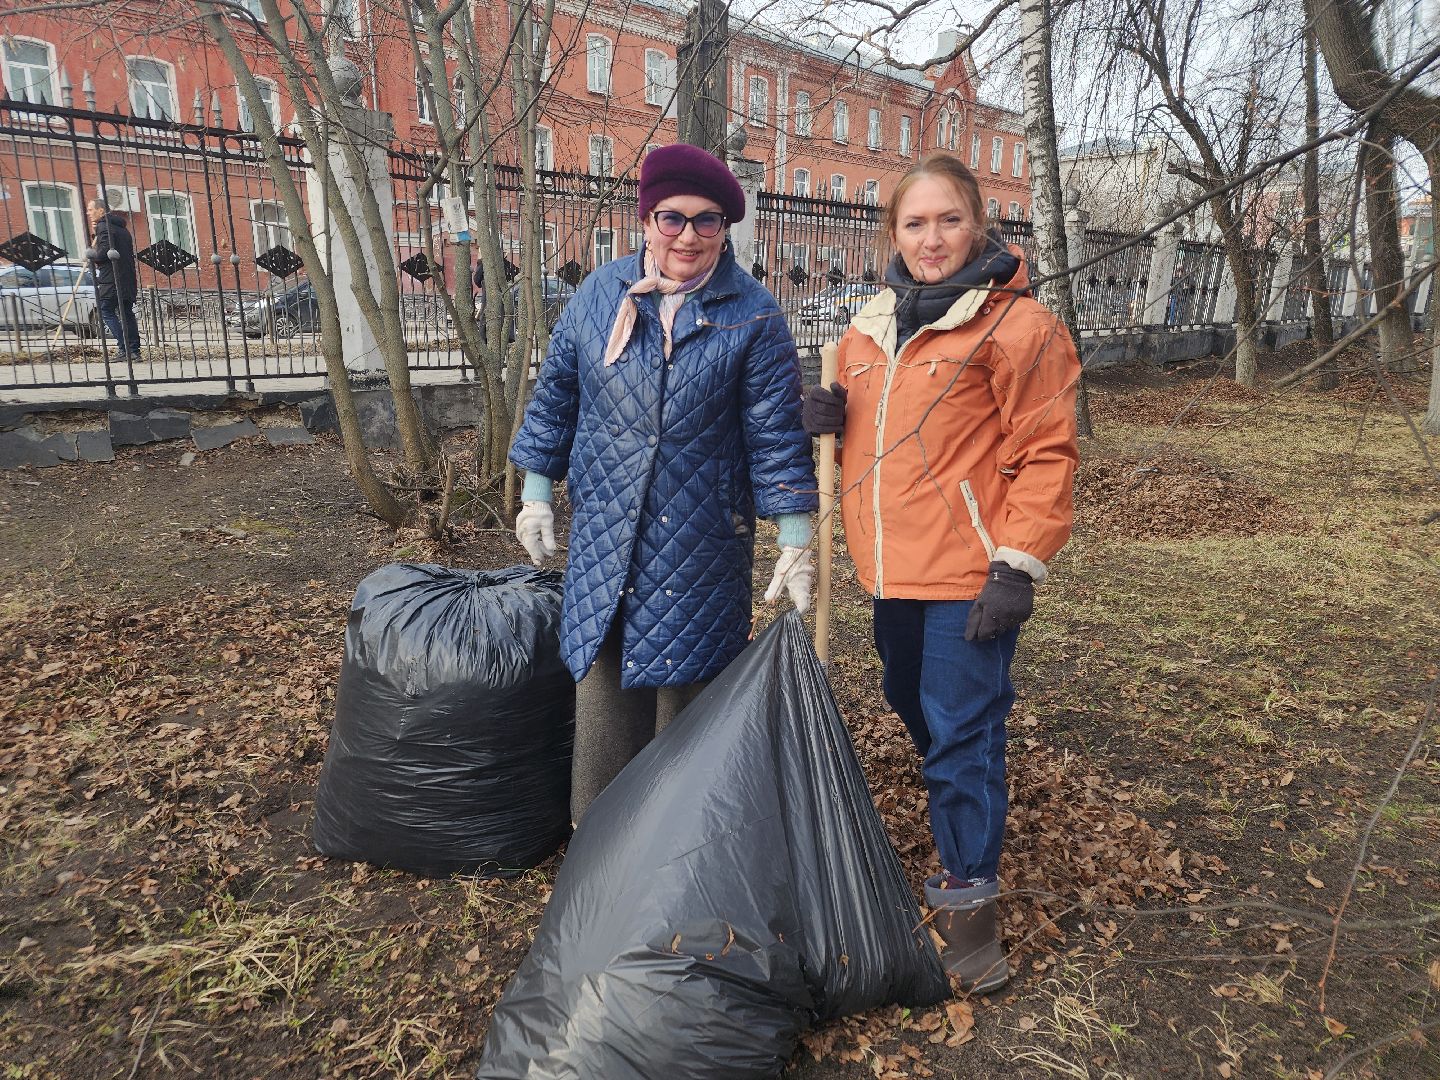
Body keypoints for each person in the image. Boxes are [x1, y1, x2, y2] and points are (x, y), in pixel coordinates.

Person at [802, 153, 1080, 994]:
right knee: (913, 705)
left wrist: (1017, 565)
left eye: (948, 220)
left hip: (968, 572)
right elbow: (870, 445)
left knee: (958, 733)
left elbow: (1046, 454)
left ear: (979, 225)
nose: (932, 239)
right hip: (891, 571)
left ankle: (970, 915)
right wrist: (827, 418)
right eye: (915, 223)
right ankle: (970, 787)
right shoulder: (864, 332)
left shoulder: (1017, 329)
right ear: (893, 232)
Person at [509, 143, 819, 823]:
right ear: (646, 219)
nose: (687, 236)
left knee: (689, 707)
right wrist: (536, 490)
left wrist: (795, 538)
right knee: (606, 695)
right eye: (672, 218)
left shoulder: (753, 315)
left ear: (725, 231)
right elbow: (557, 395)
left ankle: (675, 866)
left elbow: (775, 436)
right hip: (605, 535)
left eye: (707, 222)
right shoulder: (599, 295)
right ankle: (597, 858)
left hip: (701, 543)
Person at [84, 200, 140, 359]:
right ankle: (134, 350)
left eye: (90, 209)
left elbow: (104, 253)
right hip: (128, 278)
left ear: (101, 210)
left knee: (105, 310)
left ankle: (125, 348)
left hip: (112, 278)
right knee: (127, 312)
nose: (88, 213)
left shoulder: (104, 227)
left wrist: (91, 255)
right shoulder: (123, 230)